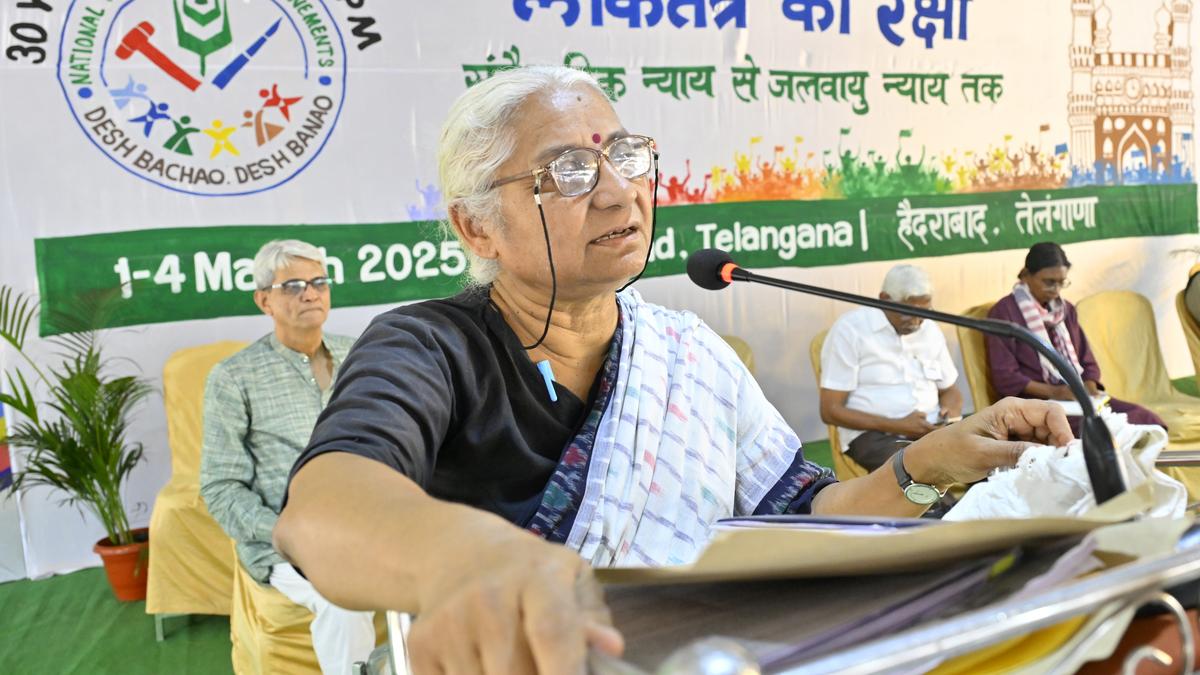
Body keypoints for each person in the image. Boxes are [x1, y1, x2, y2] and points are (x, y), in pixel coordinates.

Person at [274, 67, 1074, 675]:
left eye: (626, 157)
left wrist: (927, 463)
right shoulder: (427, 346)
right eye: (570, 173)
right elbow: (325, 505)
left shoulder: (687, 351)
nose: (621, 191)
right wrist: (471, 559)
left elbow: (805, 513)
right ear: (476, 224)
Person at [200, 240, 374, 675]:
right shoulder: (234, 377)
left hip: (374, 517)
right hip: (287, 537)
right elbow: (219, 487)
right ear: (264, 300)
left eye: (318, 282)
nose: (310, 293)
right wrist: (282, 530)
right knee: (344, 598)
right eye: (293, 286)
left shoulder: (362, 355)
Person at [985, 241, 1166, 434]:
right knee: (1103, 431)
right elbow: (1006, 378)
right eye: (1049, 282)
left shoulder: (1065, 310)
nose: (1056, 289)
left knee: (1148, 420)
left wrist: (1088, 388)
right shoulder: (1004, 312)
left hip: (1074, 399)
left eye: (1061, 282)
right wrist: (1056, 392)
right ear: (1027, 275)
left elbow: (1087, 361)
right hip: (1035, 407)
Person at [819, 264, 964, 474]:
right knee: (918, 469)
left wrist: (950, 415)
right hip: (874, 435)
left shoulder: (929, 329)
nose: (916, 323)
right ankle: (941, 507)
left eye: (923, 314)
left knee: (987, 457)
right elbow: (830, 411)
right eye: (908, 313)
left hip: (931, 428)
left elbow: (950, 390)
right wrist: (897, 425)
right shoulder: (850, 330)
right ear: (884, 298)